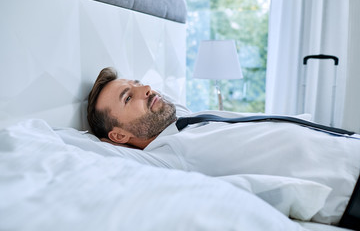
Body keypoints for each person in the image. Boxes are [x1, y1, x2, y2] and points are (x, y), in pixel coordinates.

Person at [87, 67, 360, 229]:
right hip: (350, 187)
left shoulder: (185, 119)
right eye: (128, 97)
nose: (145, 88)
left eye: (137, 83)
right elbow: (85, 152)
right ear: (119, 135)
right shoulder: (166, 157)